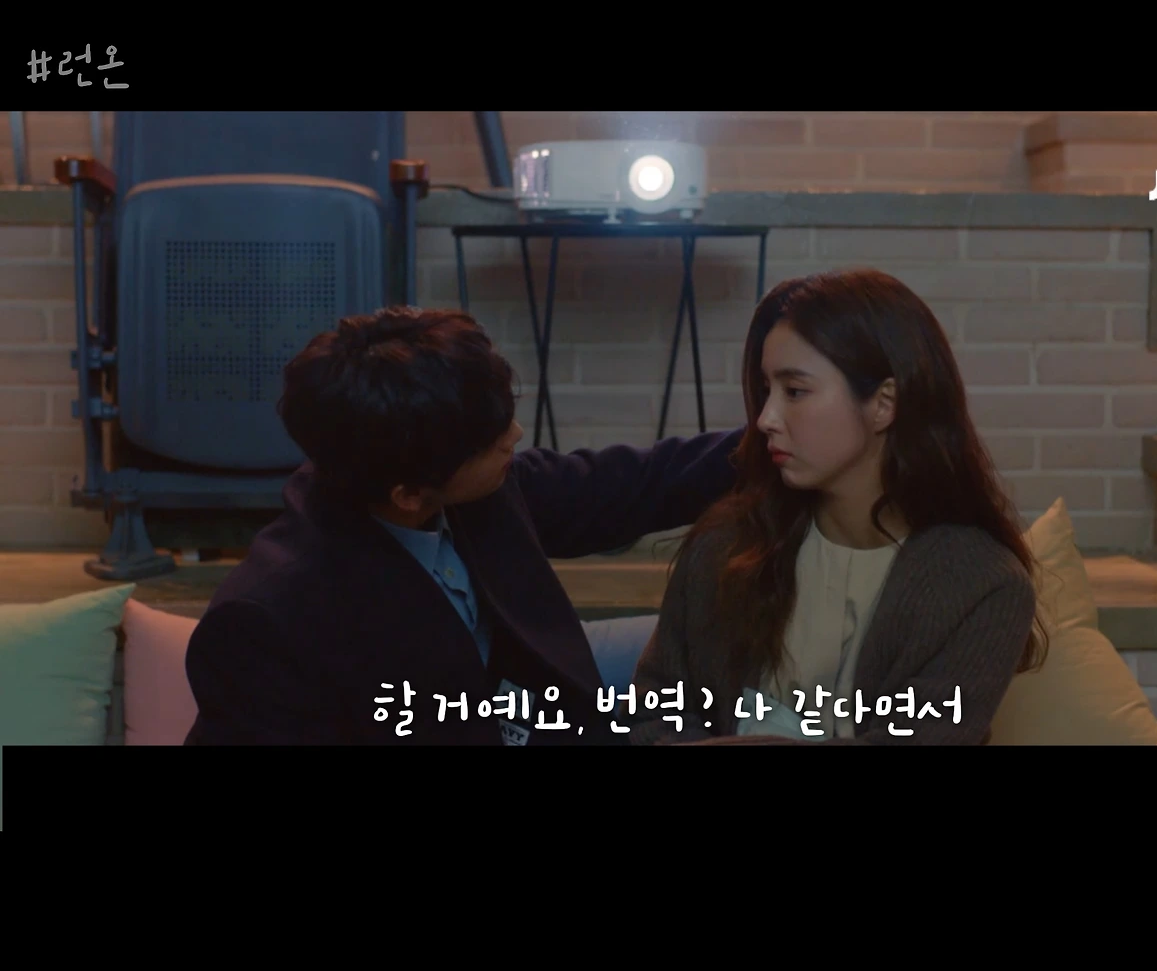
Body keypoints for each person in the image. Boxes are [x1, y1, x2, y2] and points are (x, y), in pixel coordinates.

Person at [183, 306, 743, 745]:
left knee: (712, 650)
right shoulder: (268, 623)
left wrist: (773, 439)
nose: (515, 436)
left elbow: (640, 483)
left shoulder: (469, 484)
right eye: (491, 439)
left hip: (538, 703)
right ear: (408, 494)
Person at [626, 269, 1048, 747]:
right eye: (766, 390)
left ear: (884, 403)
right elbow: (654, 711)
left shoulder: (982, 585)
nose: (765, 419)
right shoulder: (726, 545)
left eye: (795, 391)